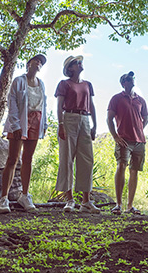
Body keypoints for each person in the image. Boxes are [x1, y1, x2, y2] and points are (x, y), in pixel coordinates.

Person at [0, 54, 48, 213]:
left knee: (28, 158)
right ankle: (3, 198)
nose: (39, 63)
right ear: (28, 64)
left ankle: (24, 195)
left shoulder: (41, 84)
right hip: (20, 120)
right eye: (36, 60)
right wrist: (15, 124)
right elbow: (12, 103)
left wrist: (44, 124)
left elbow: (43, 105)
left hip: (36, 120)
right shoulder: (19, 81)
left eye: (41, 62)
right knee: (12, 159)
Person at [55, 55, 101, 214]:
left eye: (80, 62)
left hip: (85, 119)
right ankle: (69, 200)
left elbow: (92, 105)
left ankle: (86, 201)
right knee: (67, 157)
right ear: (70, 68)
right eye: (76, 63)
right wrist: (61, 124)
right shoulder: (64, 84)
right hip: (69, 118)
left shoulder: (88, 84)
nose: (80, 64)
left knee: (87, 158)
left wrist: (95, 125)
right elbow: (60, 105)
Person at [107, 71, 148, 215]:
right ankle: (118, 204)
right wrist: (115, 136)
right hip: (123, 139)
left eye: (132, 78)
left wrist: (139, 130)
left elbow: (146, 118)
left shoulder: (140, 100)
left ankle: (130, 206)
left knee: (134, 170)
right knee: (121, 165)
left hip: (139, 141)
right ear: (123, 83)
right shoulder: (117, 98)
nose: (131, 80)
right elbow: (109, 118)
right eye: (128, 79)